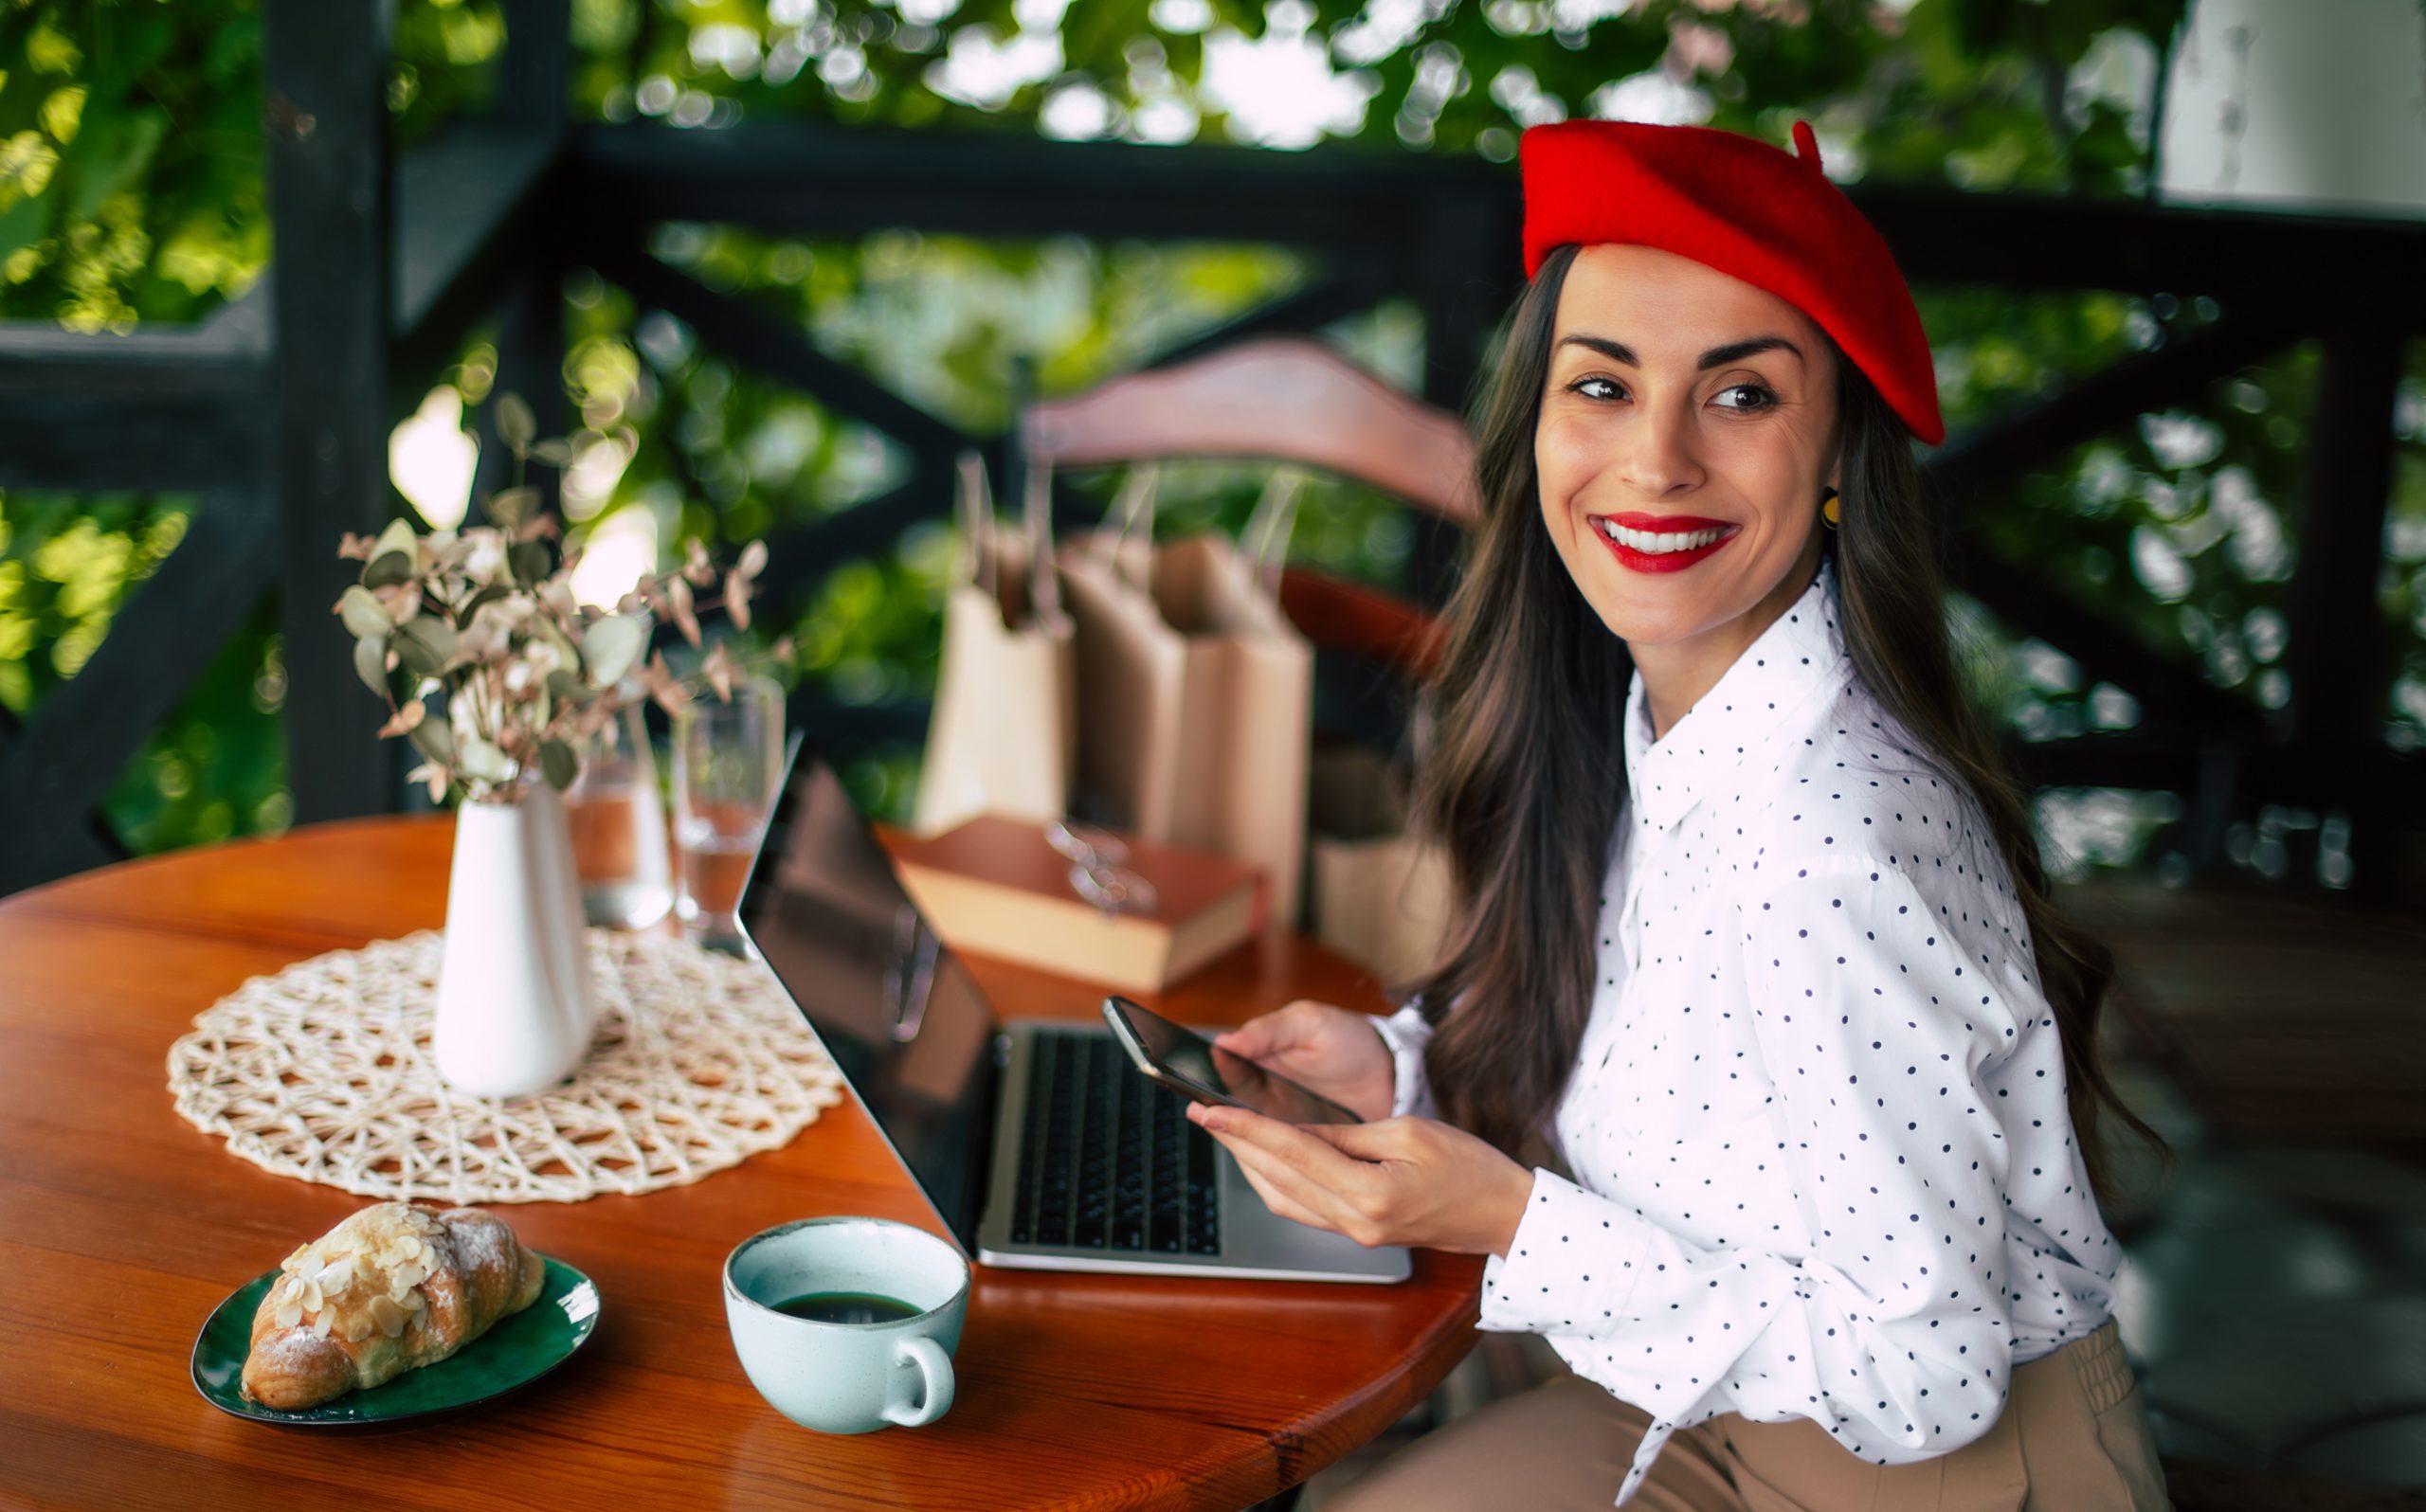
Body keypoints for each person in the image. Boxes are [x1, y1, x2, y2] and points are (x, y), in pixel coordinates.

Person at [1185, 117, 2177, 1511]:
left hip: (1943, 1474)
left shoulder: (1832, 844)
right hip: (1701, 1409)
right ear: (1536, 423)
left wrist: (1513, 1224)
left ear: (1840, 451)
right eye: (1601, 385)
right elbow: (1672, 1107)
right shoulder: (1656, 723)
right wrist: (1396, 1076)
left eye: (1742, 396)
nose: (1654, 461)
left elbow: (1929, 1376)